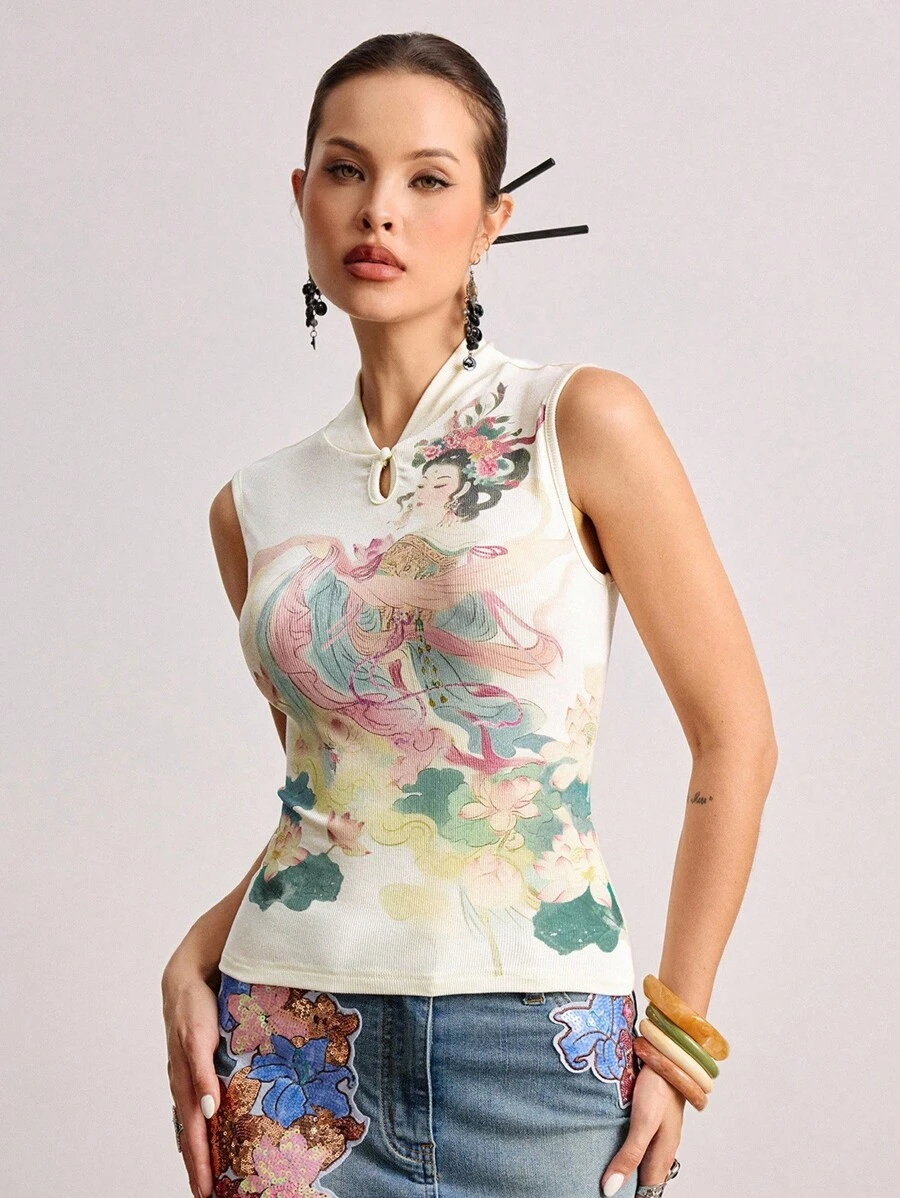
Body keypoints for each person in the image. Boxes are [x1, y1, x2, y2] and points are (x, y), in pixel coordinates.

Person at [161, 31, 777, 1198]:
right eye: (347, 170)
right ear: (302, 195)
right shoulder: (255, 506)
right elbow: (347, 794)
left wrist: (679, 1040)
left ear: (493, 219)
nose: (379, 209)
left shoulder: (579, 421)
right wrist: (199, 948)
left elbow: (735, 739)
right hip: (288, 1036)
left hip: (538, 1054)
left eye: (428, 178)